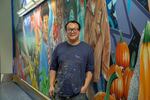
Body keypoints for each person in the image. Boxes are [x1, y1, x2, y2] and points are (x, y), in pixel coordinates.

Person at [49, 20, 94, 100]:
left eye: (74, 29)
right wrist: (51, 85)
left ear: (79, 31)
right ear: (66, 31)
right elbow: (53, 68)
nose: (72, 31)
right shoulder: (59, 48)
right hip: (59, 93)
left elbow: (90, 70)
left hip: (78, 94)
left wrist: (85, 87)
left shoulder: (87, 49)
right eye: (69, 29)